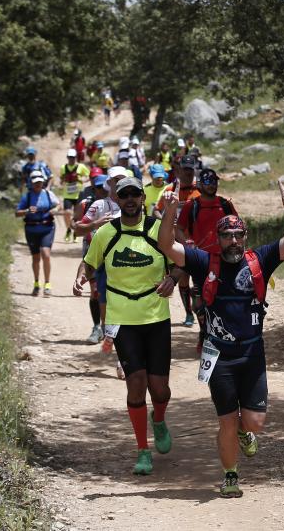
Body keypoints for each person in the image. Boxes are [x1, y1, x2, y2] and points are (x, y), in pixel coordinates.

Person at [158, 179, 284, 498]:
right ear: (219, 239)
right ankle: (230, 476)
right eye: (227, 235)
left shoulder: (259, 259)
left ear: (245, 237)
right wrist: (170, 211)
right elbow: (167, 245)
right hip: (218, 355)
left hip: (252, 356)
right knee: (225, 420)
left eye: (238, 234)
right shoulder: (202, 261)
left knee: (254, 422)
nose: (233, 240)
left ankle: (244, 431)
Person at [73, 176, 180, 475]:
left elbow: (180, 262)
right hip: (122, 319)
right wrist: (82, 276)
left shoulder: (158, 231)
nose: (130, 199)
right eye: (125, 195)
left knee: (160, 389)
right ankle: (142, 450)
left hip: (156, 317)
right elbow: (90, 262)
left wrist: (173, 279)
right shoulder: (107, 232)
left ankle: (159, 420)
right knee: (136, 383)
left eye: (135, 194)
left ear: (143, 198)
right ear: (117, 200)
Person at [73, 166, 131, 377]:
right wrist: (97, 223)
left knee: (127, 314)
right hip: (103, 265)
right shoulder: (99, 205)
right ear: (109, 183)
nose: (119, 183)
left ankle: (122, 360)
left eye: (123, 179)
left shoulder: (134, 204)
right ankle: (107, 334)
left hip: (129, 266)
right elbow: (79, 228)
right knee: (108, 316)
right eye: (116, 180)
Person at [177, 168, 238, 354]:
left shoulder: (225, 204)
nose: (212, 184)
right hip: (201, 261)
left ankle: (221, 337)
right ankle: (204, 331)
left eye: (214, 181)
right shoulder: (191, 206)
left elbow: (238, 225)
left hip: (225, 260)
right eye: (208, 181)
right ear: (200, 183)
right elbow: (178, 229)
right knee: (200, 303)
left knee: (223, 300)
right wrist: (187, 243)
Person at [155, 154, 201, 327]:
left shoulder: (200, 189)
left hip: (198, 242)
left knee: (198, 279)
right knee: (182, 277)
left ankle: (200, 311)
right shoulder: (169, 189)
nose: (188, 173)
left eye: (191, 169)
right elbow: (156, 211)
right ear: (179, 170)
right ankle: (188, 313)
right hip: (177, 243)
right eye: (185, 169)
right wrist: (166, 220)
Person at [72, 173, 109, 344]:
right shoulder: (87, 204)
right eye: (99, 187)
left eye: (105, 187)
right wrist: (94, 224)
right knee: (95, 292)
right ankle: (97, 327)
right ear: (94, 188)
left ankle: (109, 327)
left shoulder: (117, 203)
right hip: (91, 249)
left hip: (112, 253)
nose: (102, 190)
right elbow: (76, 226)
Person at [15, 170, 59, 297]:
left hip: (47, 228)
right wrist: (27, 211)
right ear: (31, 183)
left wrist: (54, 210)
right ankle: (36, 284)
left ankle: (47, 284)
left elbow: (58, 205)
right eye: (35, 183)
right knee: (35, 257)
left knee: (45, 254)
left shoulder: (48, 194)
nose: (38, 185)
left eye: (40, 182)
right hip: (31, 230)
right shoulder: (27, 197)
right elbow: (17, 213)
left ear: (43, 182)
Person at [60, 149, 90, 243]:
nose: (71, 159)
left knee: (77, 215)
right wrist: (63, 181)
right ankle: (69, 229)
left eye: (73, 157)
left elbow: (90, 175)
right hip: (67, 194)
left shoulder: (81, 166)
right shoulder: (63, 167)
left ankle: (75, 233)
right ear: (67, 157)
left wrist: (82, 180)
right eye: (69, 157)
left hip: (78, 193)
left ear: (75, 157)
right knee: (67, 213)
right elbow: (61, 180)